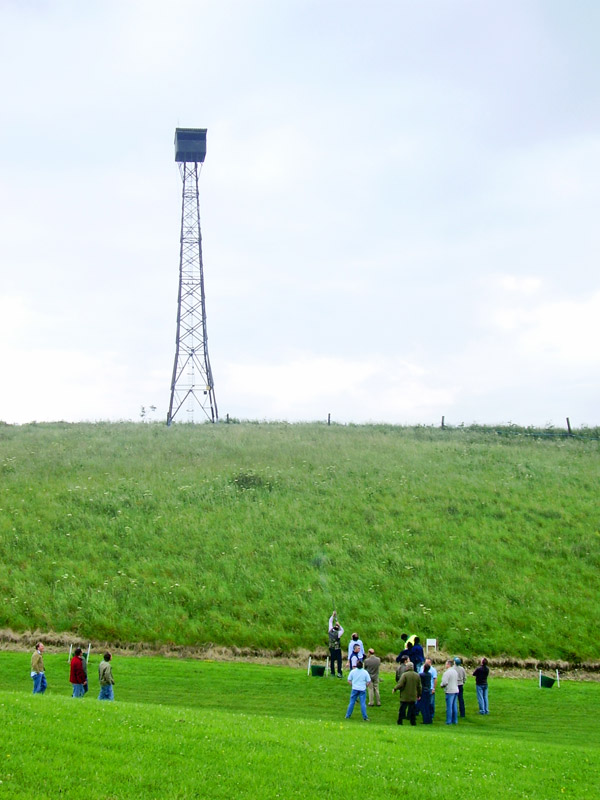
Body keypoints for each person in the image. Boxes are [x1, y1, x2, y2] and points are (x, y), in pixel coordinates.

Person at [441, 659, 459, 725]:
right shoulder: (455, 672)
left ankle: (449, 721)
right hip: (455, 690)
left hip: (450, 691)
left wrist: (441, 685)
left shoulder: (447, 673)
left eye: (446, 664)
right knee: (454, 706)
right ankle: (455, 720)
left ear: (448, 665)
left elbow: (444, 682)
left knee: (449, 707)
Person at [328, 614, 344, 678]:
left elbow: (330, 621)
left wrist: (333, 615)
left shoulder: (330, 631)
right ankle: (339, 673)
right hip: (337, 649)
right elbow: (342, 630)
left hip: (331, 648)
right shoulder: (338, 633)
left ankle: (332, 673)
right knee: (339, 661)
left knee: (332, 661)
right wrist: (339, 625)